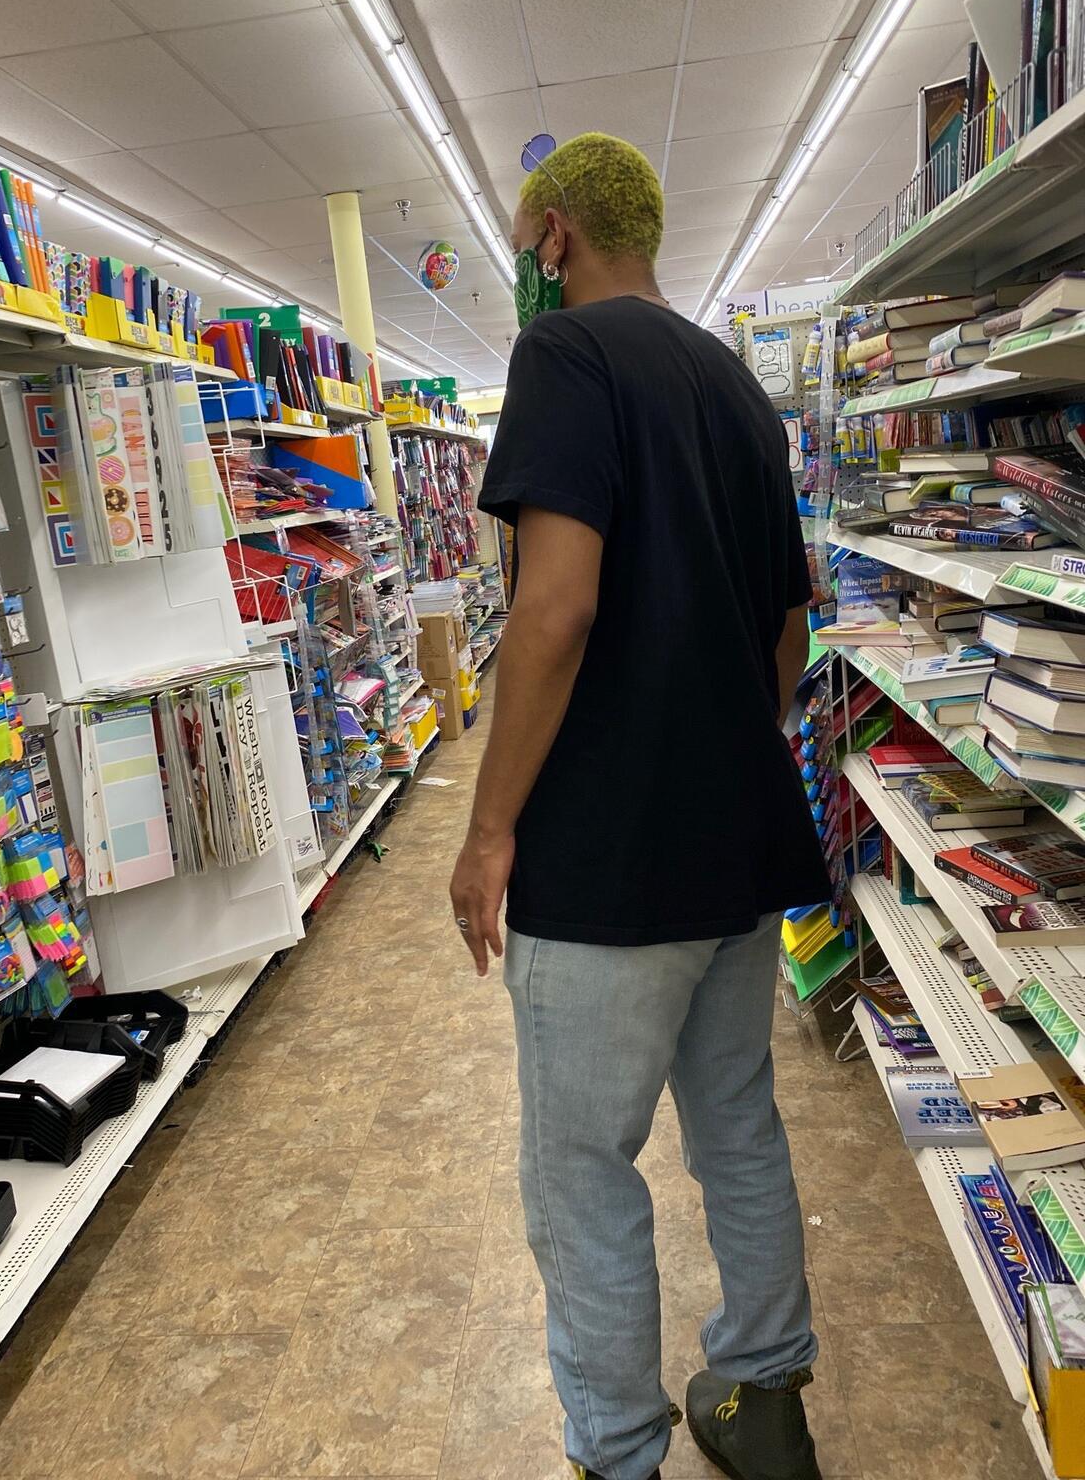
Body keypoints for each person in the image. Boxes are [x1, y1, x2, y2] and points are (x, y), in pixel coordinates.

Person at [449, 132, 832, 1480]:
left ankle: (616, 1454)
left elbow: (555, 607)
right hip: (740, 848)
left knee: (583, 1170)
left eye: (524, 245)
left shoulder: (563, 355)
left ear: (553, 236)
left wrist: (489, 829)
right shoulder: (739, 389)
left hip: (608, 862)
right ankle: (765, 1400)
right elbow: (788, 630)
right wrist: (729, 748)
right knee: (739, 1126)